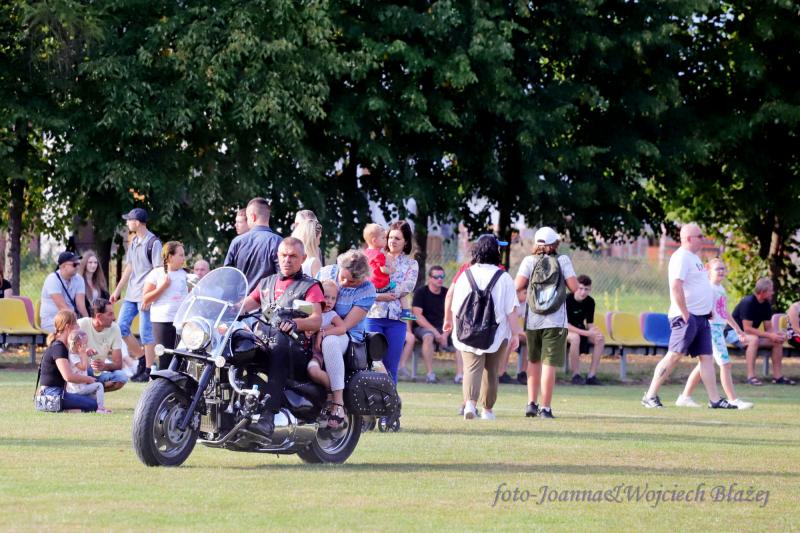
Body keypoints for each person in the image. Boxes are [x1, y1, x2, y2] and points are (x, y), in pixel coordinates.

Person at [641, 223, 736, 409]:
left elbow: (698, 286)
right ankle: (650, 396)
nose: (703, 239)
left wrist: (706, 309)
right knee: (674, 355)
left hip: (702, 317)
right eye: (699, 236)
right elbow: (676, 286)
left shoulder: (694, 258)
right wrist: (685, 313)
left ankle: (715, 400)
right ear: (688, 238)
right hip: (686, 317)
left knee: (706, 358)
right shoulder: (681, 257)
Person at [240, 237, 324, 437]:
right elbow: (243, 306)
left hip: (294, 347)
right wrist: (222, 309)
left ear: (303, 258)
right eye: (284, 255)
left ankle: (268, 417)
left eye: (293, 256)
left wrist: (296, 323)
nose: (287, 260)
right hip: (263, 341)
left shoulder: (309, 286)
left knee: (278, 347)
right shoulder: (266, 283)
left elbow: (316, 320)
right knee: (238, 346)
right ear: (277, 256)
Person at [450, 235, 521, 420]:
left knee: (471, 368)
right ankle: (487, 410)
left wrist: (454, 326)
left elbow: (456, 306)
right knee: (491, 370)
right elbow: (511, 309)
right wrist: (516, 334)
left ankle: (469, 405)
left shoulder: (466, 275)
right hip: (497, 332)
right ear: (495, 251)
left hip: (468, 331)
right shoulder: (504, 277)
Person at [515, 227, 579, 419]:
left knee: (533, 361)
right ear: (555, 243)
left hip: (533, 320)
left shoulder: (529, 261)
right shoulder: (563, 260)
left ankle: (531, 404)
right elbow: (574, 287)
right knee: (548, 364)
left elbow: (517, 285)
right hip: (555, 321)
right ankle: (546, 408)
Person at [677, 258, 753, 409]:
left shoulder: (720, 289)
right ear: (708, 270)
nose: (721, 271)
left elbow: (724, 312)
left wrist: (737, 329)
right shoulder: (709, 288)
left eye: (723, 268)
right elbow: (700, 307)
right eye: (718, 268)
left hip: (719, 329)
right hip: (711, 329)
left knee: (704, 365)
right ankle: (733, 400)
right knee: (725, 364)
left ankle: (684, 397)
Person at [317, 250, 376, 430]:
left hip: (347, 334)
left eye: (352, 282)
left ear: (362, 278)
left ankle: (338, 403)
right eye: (343, 277)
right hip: (316, 326)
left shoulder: (367, 290)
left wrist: (323, 332)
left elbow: (345, 326)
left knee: (330, 342)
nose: (344, 283)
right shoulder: (326, 273)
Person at [110, 208, 161, 382]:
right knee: (121, 327)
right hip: (131, 294)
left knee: (146, 333)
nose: (127, 223)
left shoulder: (154, 243)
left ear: (137, 222)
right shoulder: (133, 242)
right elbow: (129, 267)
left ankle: (148, 369)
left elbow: (158, 271)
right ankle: (142, 358)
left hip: (145, 294)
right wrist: (117, 290)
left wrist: (151, 296)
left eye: (129, 220)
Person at [365, 220, 419, 383]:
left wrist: (381, 290)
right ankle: (370, 398)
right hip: (373, 315)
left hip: (397, 320)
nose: (392, 241)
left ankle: (391, 399)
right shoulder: (375, 256)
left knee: (391, 367)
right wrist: (378, 296)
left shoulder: (411, 264)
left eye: (397, 238)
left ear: (406, 242)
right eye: (390, 237)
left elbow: (407, 287)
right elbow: (364, 283)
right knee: (372, 363)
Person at [726, 278, 792, 385]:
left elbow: (768, 328)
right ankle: (751, 377)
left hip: (749, 335)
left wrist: (776, 335)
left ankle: (777, 377)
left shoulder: (766, 304)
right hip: (733, 333)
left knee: (777, 341)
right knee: (754, 340)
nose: (772, 292)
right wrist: (770, 335)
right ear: (763, 292)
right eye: (770, 290)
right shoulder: (748, 302)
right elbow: (747, 328)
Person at [35, 310, 98, 412]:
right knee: (92, 404)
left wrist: (85, 352)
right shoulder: (59, 348)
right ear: (68, 327)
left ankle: (73, 409)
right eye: (76, 324)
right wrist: (87, 379)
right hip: (52, 394)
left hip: (55, 392)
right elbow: (68, 376)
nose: (78, 327)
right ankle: (72, 409)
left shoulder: (62, 346)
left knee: (90, 402)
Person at [409, 265, 460, 384]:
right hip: (424, 327)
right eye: (436, 277)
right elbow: (417, 316)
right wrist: (436, 333)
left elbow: (453, 316)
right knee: (428, 336)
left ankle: (460, 376)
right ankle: (430, 374)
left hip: (445, 329)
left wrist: (445, 335)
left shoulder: (448, 293)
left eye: (442, 276)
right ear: (430, 278)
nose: (440, 279)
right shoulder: (421, 293)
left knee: (460, 341)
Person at [142, 242, 189, 370]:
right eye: (180, 255)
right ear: (170, 257)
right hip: (162, 321)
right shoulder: (156, 273)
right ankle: (163, 382)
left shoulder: (185, 274)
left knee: (182, 359)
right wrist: (163, 287)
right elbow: (146, 299)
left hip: (182, 322)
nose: (183, 258)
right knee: (166, 358)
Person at [224, 197, 282, 292]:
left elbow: (228, 276)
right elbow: (283, 276)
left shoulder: (237, 242)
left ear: (253, 217)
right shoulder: (278, 242)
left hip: (241, 299)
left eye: (247, 218)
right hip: (267, 299)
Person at [78, 299, 128, 392]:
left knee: (121, 377)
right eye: (110, 314)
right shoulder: (81, 324)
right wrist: (83, 351)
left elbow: (118, 364)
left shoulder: (115, 328)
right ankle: (93, 389)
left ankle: (94, 390)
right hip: (79, 371)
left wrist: (104, 366)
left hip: (97, 373)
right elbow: (66, 349)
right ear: (99, 316)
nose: (114, 318)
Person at [565, 275, 605, 385]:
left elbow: (590, 324)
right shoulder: (566, 300)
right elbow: (565, 325)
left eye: (586, 289)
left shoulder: (590, 302)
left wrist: (595, 332)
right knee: (575, 338)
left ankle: (591, 376)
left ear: (590, 289)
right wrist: (587, 333)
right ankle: (576, 375)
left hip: (580, 329)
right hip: (561, 331)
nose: (583, 292)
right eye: (580, 288)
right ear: (574, 287)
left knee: (600, 339)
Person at [39, 251, 89, 333]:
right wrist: (76, 323)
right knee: (76, 332)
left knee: (88, 330)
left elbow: (81, 306)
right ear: (63, 266)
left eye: (78, 264)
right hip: (52, 321)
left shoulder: (79, 279)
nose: (77, 267)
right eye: (74, 264)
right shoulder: (52, 279)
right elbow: (62, 307)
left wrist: (88, 322)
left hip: (71, 320)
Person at [65, 329, 111, 414]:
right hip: (76, 389)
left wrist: (87, 355)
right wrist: (83, 354)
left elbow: (86, 366)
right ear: (79, 345)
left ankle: (98, 407)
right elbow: (83, 367)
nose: (86, 346)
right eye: (85, 344)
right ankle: (100, 408)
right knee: (99, 386)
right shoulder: (73, 356)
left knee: (94, 398)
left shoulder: (76, 354)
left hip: (81, 386)